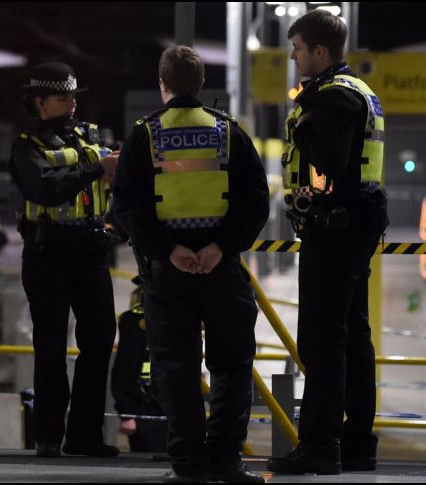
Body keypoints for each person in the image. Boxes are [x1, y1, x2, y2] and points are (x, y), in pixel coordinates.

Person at [113, 46, 269, 483]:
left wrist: (167, 249)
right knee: (232, 365)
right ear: (201, 84)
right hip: (222, 269)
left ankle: (187, 466)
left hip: (167, 273)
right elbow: (255, 200)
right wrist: (221, 246)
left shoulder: (145, 134)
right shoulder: (228, 132)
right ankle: (224, 460)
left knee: (176, 368)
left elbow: (125, 203)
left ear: (162, 84)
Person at [266, 10, 389, 476]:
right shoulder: (361, 91)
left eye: (297, 48)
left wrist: (304, 129)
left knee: (321, 340)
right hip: (357, 225)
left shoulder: (332, 98)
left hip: (335, 229)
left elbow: (333, 164)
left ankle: (320, 445)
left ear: (320, 51)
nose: (294, 57)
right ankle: (358, 445)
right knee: (354, 338)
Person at [9, 61, 120, 458]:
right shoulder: (26, 146)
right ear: (39, 102)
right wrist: (97, 168)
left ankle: (84, 435)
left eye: (74, 96)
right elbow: (45, 189)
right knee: (51, 345)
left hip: (90, 248)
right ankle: (48, 437)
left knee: (100, 338)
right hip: (48, 251)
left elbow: (109, 184)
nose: (72, 103)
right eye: (62, 97)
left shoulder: (88, 136)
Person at [110, 277, 168, 453]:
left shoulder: (179, 318)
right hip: (147, 411)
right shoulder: (136, 323)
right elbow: (124, 372)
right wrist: (127, 413)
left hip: (170, 410)